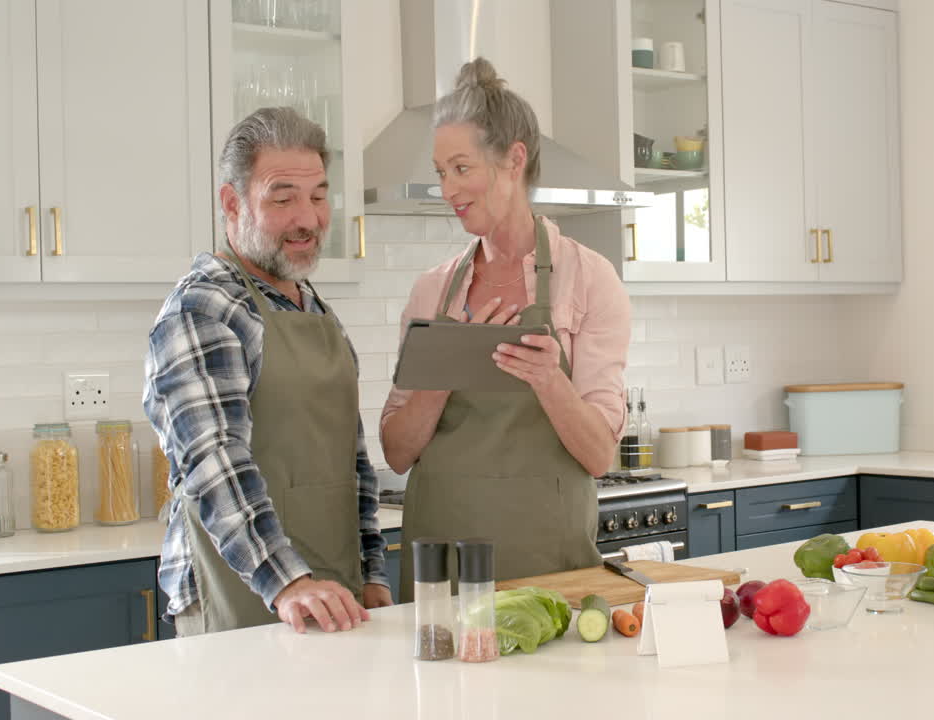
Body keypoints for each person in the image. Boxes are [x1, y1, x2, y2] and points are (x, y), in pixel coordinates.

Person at [380, 58, 631, 599]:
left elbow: (600, 455)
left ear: (514, 159)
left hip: (551, 567)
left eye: (462, 168)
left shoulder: (588, 279)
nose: (448, 188)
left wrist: (548, 379)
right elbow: (396, 452)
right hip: (442, 568)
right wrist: (442, 369)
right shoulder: (433, 291)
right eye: (441, 171)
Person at [143, 107, 392, 636]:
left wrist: (372, 572)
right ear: (232, 204)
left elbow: (353, 463)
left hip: (329, 596)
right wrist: (287, 583)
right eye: (283, 198)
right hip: (244, 596)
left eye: (319, 196)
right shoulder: (203, 308)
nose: (308, 218)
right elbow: (214, 462)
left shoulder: (312, 308)